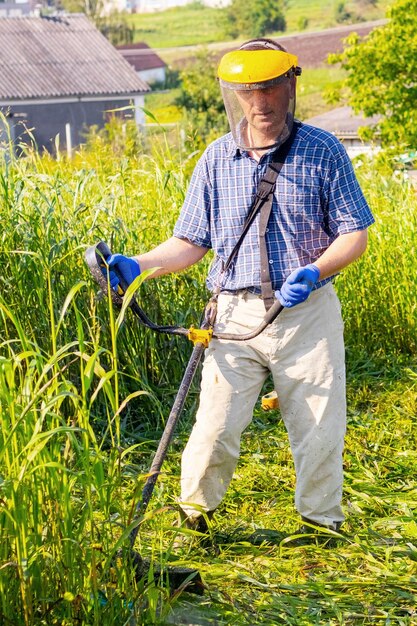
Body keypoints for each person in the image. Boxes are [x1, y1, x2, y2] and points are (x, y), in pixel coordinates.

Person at [104, 38, 374, 539]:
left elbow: (353, 231)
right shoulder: (215, 159)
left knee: (318, 428)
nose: (261, 102)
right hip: (231, 318)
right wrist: (137, 265)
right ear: (235, 95)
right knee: (214, 427)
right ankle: (194, 514)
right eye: (249, 91)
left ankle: (321, 524)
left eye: (270, 87)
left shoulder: (322, 151)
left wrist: (315, 270)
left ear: (291, 84)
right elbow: (190, 241)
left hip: (306, 314)